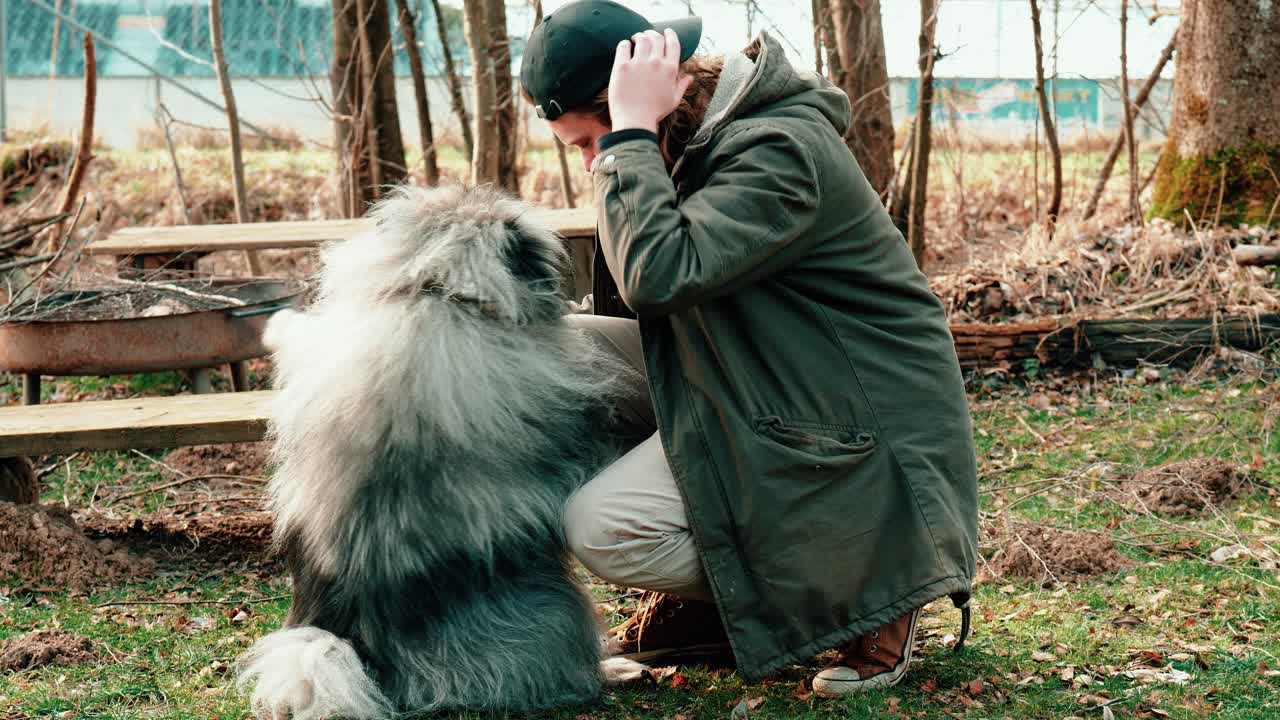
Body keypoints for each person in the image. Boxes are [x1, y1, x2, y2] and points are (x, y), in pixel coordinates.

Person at [518, 0, 978, 696]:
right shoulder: (687, 143)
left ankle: (872, 589)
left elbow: (658, 276)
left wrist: (627, 141)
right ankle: (718, 607)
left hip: (850, 416)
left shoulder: (778, 151)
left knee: (603, 526)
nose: (590, 162)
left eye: (590, 140)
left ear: (639, 102)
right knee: (559, 352)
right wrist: (632, 140)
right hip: (762, 374)